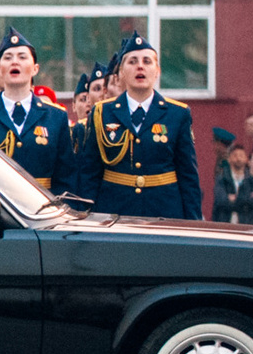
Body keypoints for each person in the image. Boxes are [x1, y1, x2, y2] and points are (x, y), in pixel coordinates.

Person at [74, 32, 200, 224]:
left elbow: (188, 176)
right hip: (114, 216)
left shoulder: (178, 114)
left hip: (165, 214)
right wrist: (85, 220)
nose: (140, 66)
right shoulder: (102, 113)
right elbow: (90, 174)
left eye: (147, 61)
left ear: (157, 71)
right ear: (121, 73)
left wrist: (194, 225)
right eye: (132, 61)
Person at [0, 28, 71, 196]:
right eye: (8, 58)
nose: (15, 62)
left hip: (44, 210)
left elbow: (67, 178)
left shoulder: (56, 117)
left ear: (35, 68)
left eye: (22, 57)